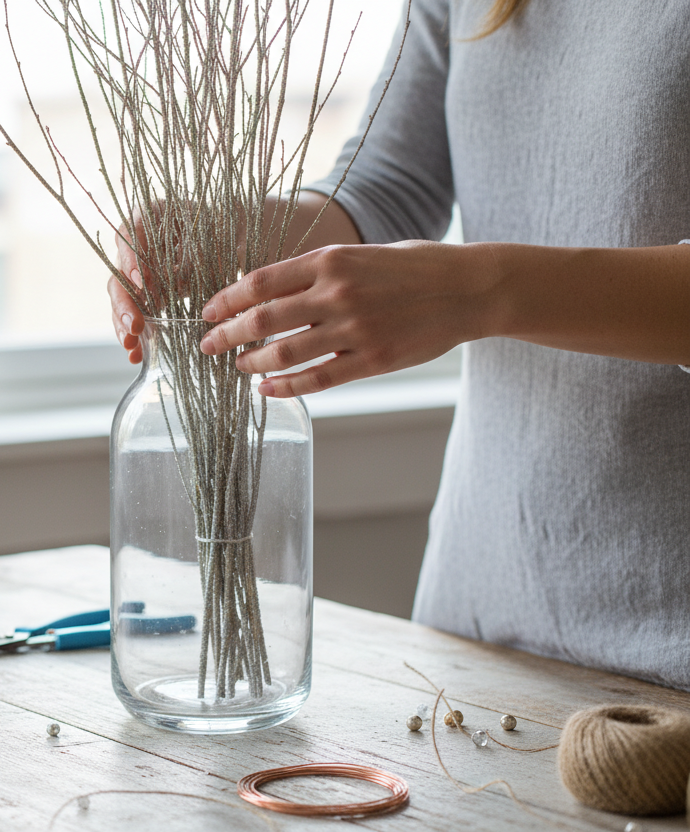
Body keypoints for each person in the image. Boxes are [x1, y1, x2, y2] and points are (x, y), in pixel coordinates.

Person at [108, 0, 690, 689]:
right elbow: (388, 188)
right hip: (474, 630)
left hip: (672, 646)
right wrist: (221, 230)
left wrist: (476, 291)